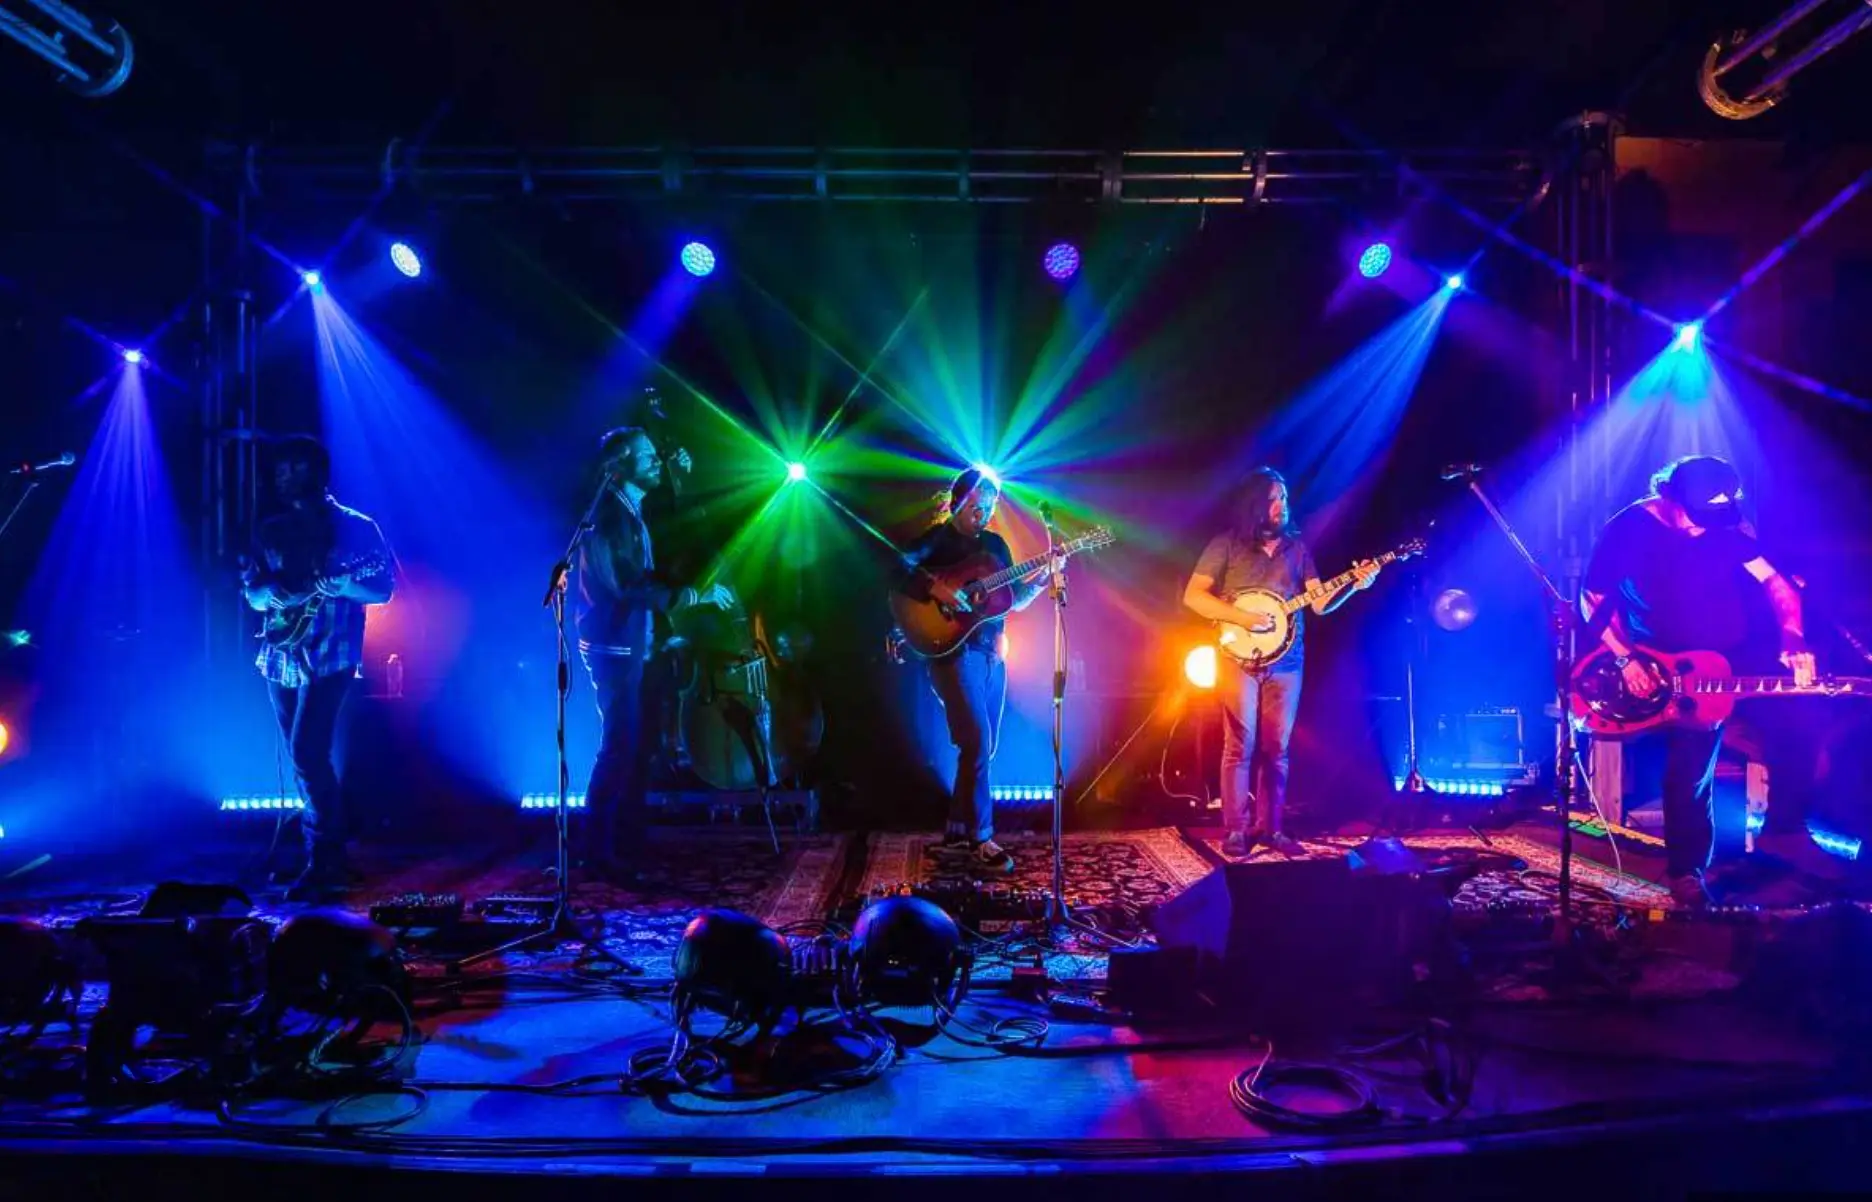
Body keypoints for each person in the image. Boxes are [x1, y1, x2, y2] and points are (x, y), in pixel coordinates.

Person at [1581, 455, 1814, 907]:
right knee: (1691, 768)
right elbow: (1593, 598)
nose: (1707, 527)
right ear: (1669, 497)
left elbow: (1775, 581)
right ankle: (1686, 873)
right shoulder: (1629, 529)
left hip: (1734, 655)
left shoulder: (1724, 525)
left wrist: (1793, 634)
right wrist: (1626, 659)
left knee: (1799, 722)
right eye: (1698, 517)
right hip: (1669, 662)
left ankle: (1783, 833)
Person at [1181, 467, 1379, 858]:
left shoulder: (1297, 549)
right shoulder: (1227, 545)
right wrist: (1243, 618)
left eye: (1284, 498)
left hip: (1288, 660)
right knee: (1239, 745)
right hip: (1237, 658)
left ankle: (1271, 828)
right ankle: (1235, 830)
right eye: (1273, 498)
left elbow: (1319, 602)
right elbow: (1194, 597)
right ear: (1255, 504)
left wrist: (1355, 583)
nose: (1281, 506)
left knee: (1277, 747)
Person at [241, 436, 394, 900]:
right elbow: (252, 590)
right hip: (280, 652)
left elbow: (384, 589)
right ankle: (328, 852)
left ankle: (325, 856)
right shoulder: (269, 528)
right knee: (299, 753)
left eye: (294, 470)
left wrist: (347, 585)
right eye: (280, 471)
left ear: (317, 473)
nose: (283, 478)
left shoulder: (356, 528)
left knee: (309, 751)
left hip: (332, 653)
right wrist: (272, 597)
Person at [575, 427, 731, 877]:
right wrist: (690, 597)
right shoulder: (609, 516)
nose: (655, 460)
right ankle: (597, 852)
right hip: (612, 645)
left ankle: (626, 842)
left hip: (629, 642)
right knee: (620, 746)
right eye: (645, 456)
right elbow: (627, 584)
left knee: (637, 747)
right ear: (619, 465)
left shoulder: (630, 511)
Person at [888, 468, 1050, 876]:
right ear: (959, 500)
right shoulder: (936, 540)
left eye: (992, 504)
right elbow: (896, 572)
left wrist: (1042, 577)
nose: (985, 510)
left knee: (983, 746)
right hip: (952, 656)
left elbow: (1011, 600)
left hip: (991, 653)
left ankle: (957, 835)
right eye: (979, 502)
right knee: (976, 740)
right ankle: (980, 839)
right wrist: (936, 588)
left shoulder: (995, 545)